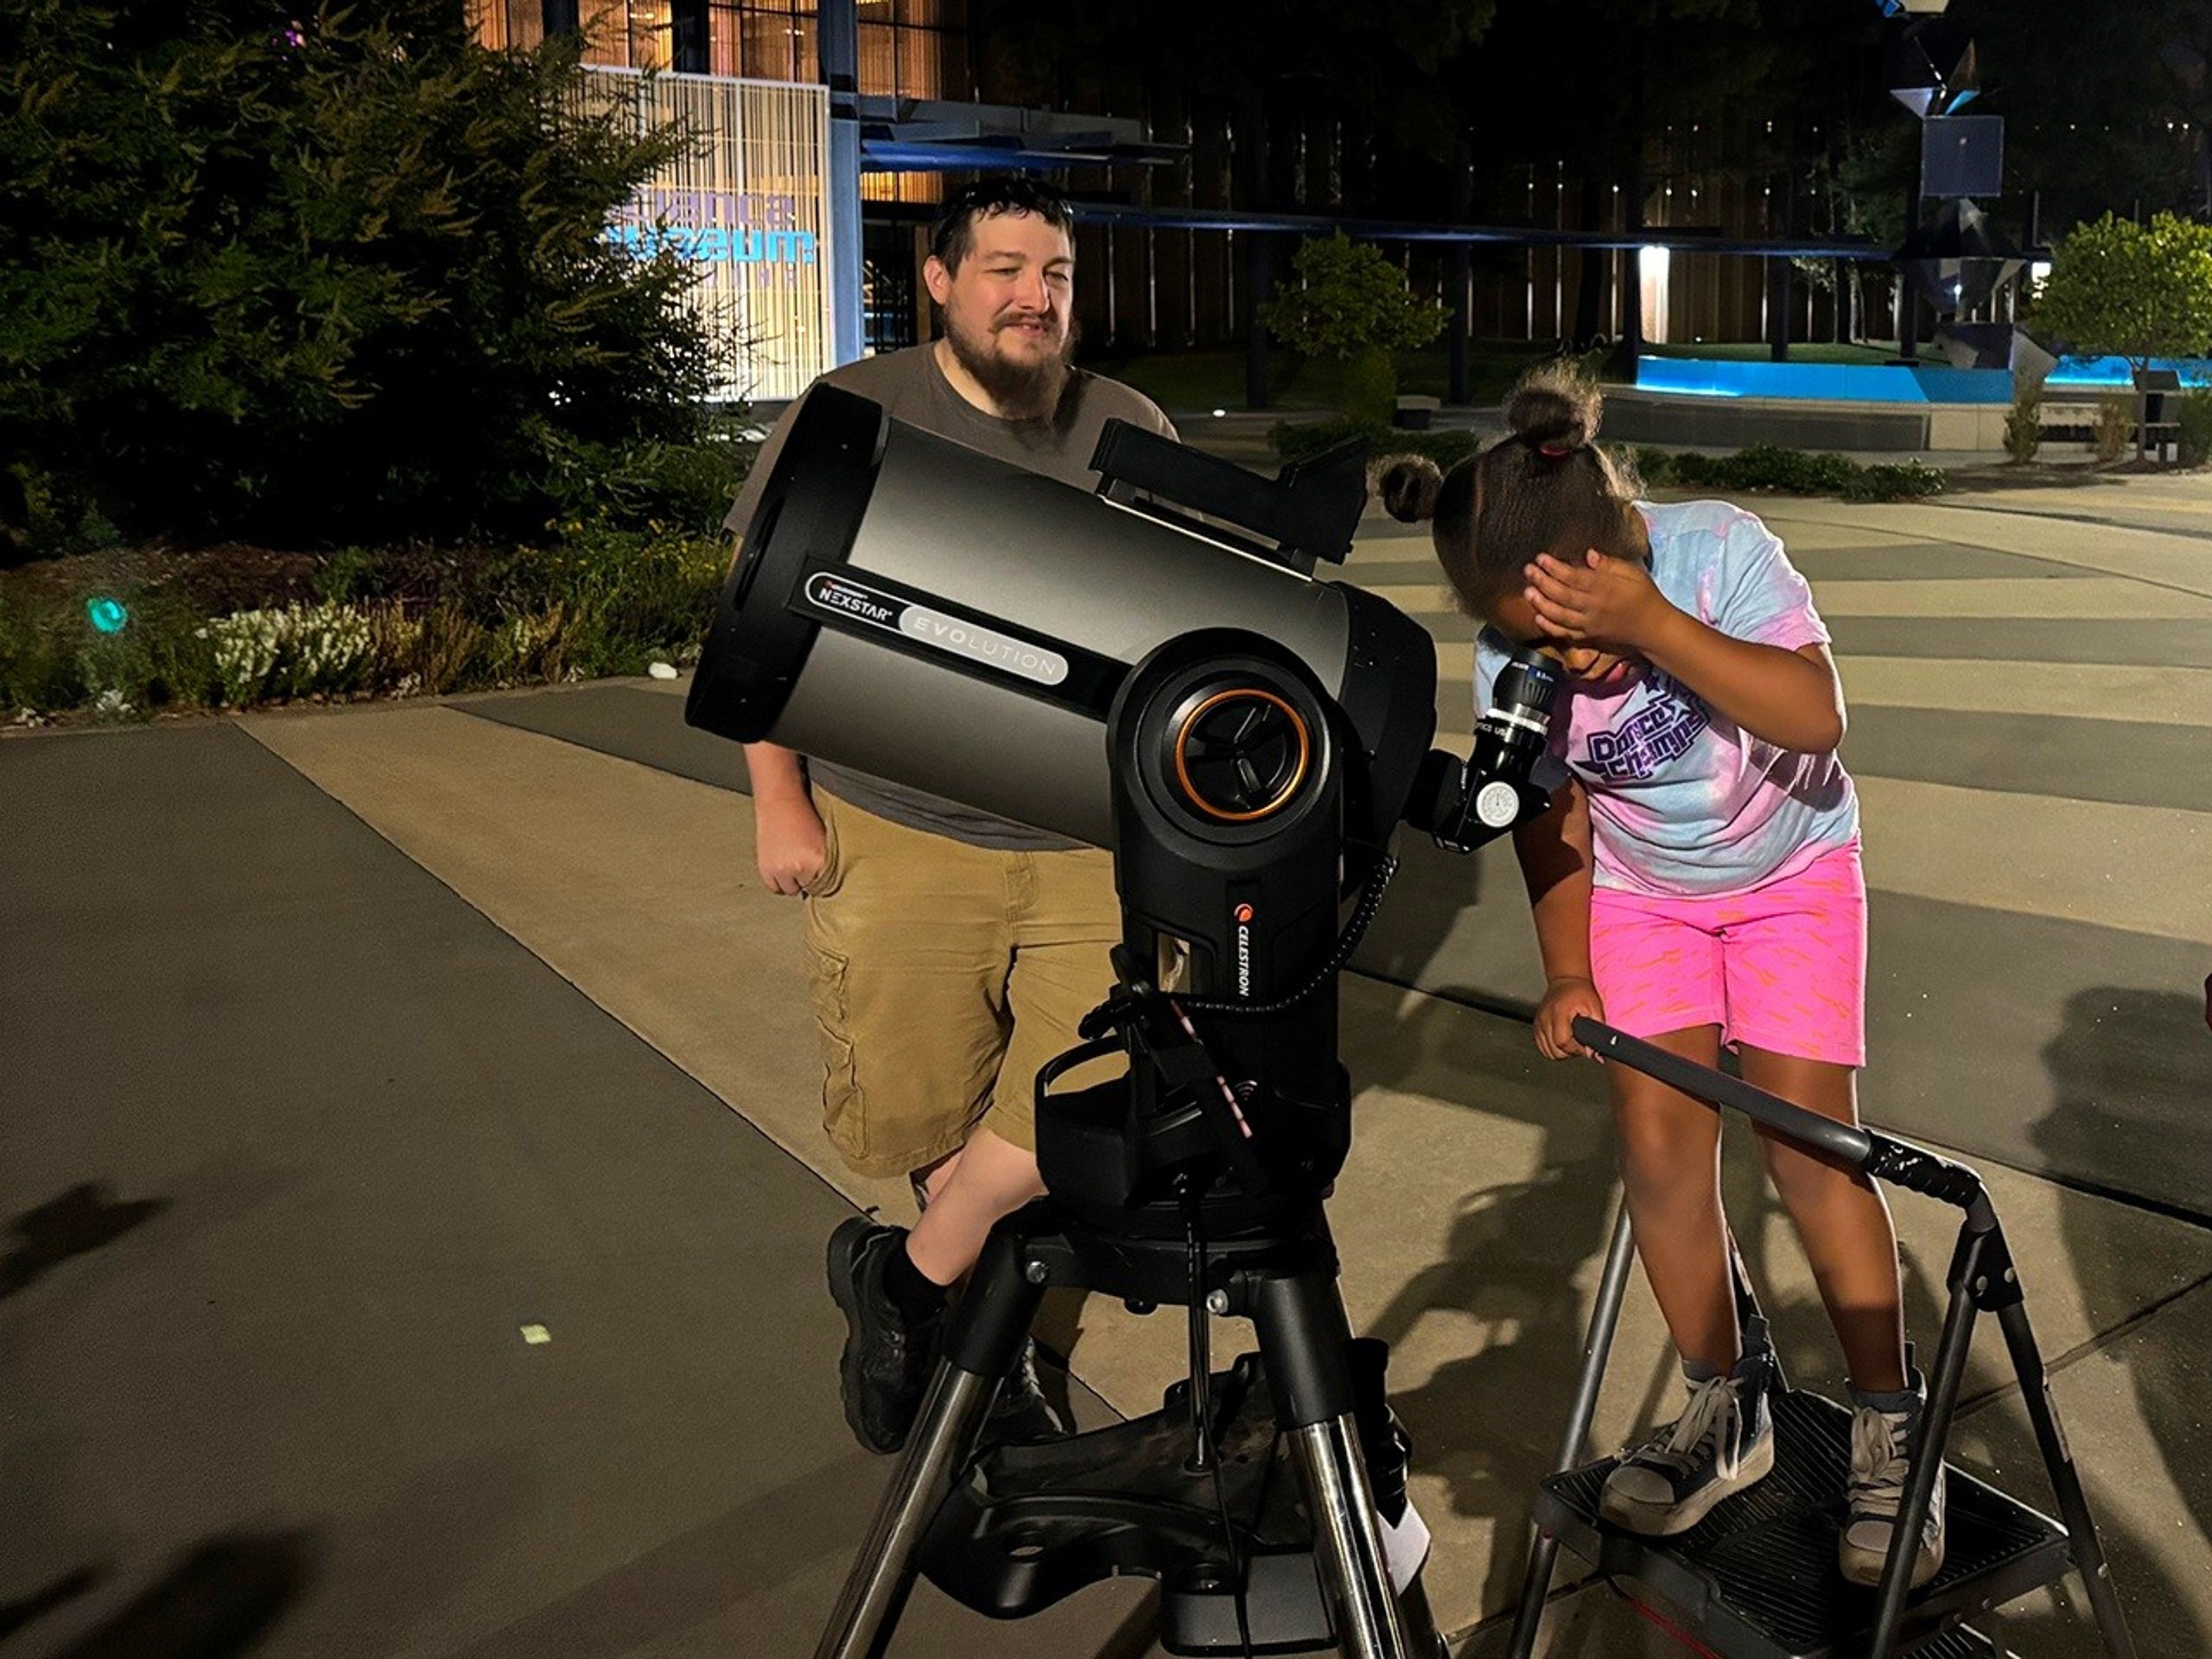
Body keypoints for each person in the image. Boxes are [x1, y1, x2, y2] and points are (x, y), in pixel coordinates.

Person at [1377, 365, 1943, 1587]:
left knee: (1807, 1146)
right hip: (1646, 898)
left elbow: (1811, 715)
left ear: (1620, 547)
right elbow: (1551, 814)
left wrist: (1650, 625)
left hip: (1789, 871)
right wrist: (1565, 969)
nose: (1561, 661)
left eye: (1577, 628)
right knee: (1659, 1149)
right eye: (1536, 642)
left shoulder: (1715, 555)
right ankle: (1720, 1401)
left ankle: (1891, 1427)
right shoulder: (1509, 651)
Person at [727, 179, 1176, 1455]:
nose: (1036, 297)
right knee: (925, 1119)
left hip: (1087, 837)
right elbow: (762, 616)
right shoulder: (857, 412)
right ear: (939, 281)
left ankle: (916, 1295)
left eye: (1057, 275)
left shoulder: (1125, 425)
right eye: (1005, 270)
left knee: (1077, 1117)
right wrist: (779, 798)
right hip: (897, 824)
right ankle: (985, 1338)